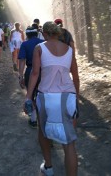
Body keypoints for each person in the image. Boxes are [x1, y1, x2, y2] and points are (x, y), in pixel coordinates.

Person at [25, 21, 79, 176]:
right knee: (69, 143)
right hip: (68, 95)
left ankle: (48, 167)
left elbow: (35, 73)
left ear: (46, 34)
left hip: (46, 95)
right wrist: (76, 98)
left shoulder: (40, 48)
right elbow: (75, 77)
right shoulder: (69, 49)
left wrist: (28, 97)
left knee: (43, 132)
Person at [18, 26, 44, 128]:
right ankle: (44, 118)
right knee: (43, 94)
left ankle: (33, 120)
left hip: (30, 70)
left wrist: (20, 76)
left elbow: (22, 60)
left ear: (27, 35)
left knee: (31, 94)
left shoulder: (25, 44)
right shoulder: (43, 42)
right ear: (36, 33)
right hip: (44, 71)